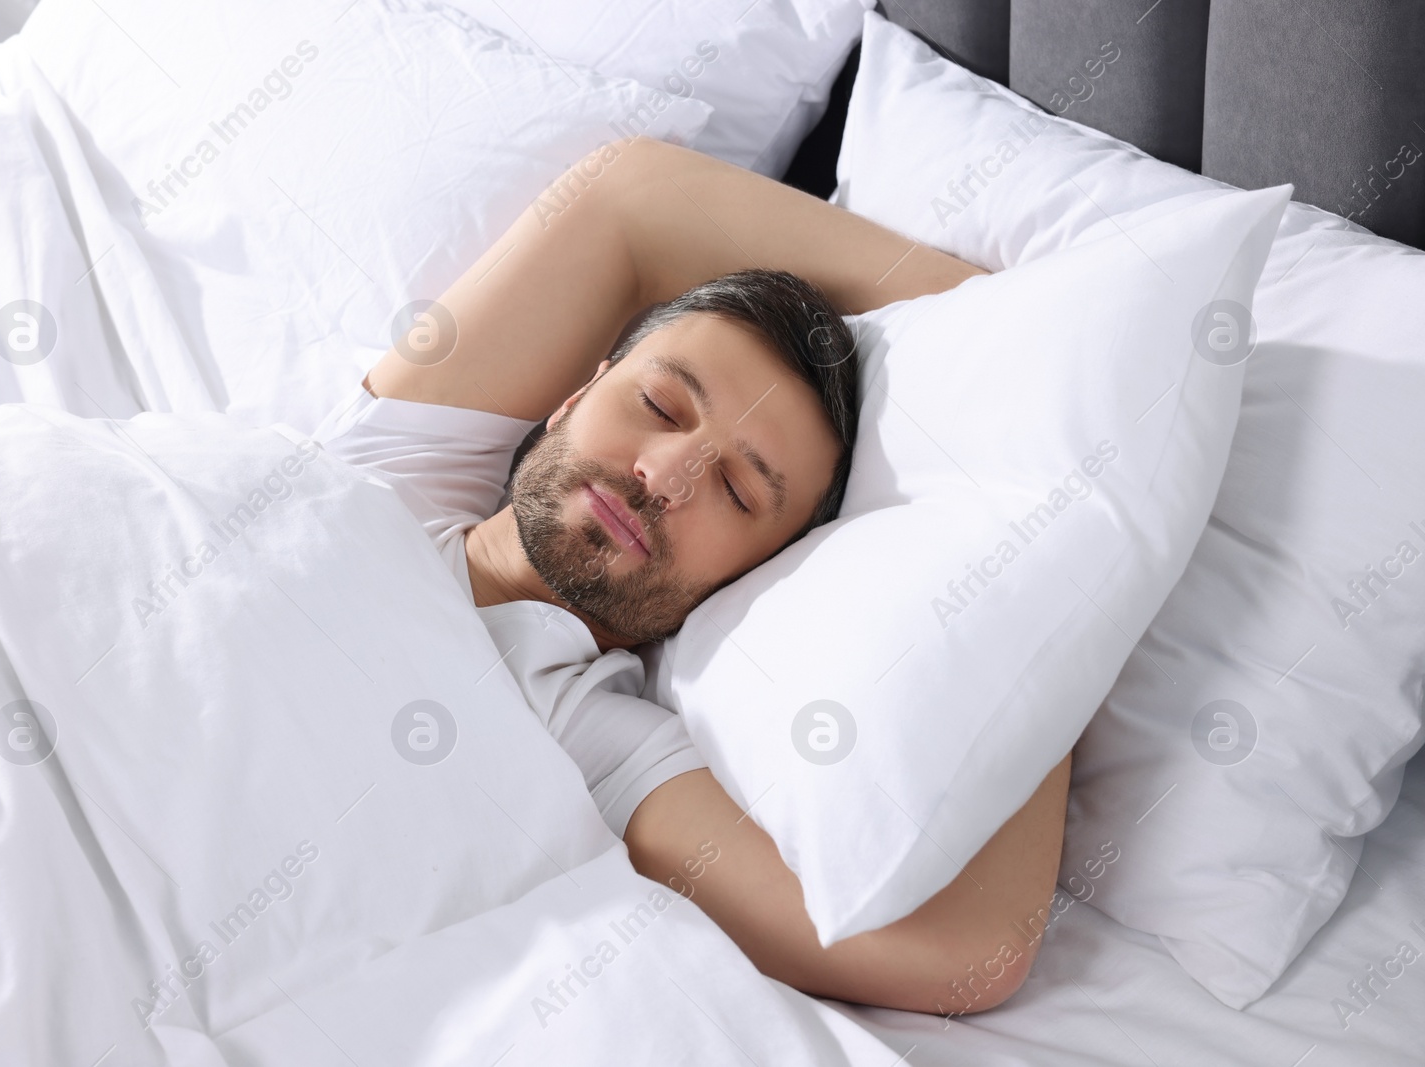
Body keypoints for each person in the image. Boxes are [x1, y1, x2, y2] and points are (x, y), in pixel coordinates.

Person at [313, 135, 1072, 1017]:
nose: (665, 478)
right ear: (572, 395)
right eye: (659, 406)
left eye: (736, 491)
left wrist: (1061, 566)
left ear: (747, 580)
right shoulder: (390, 469)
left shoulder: (590, 738)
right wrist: (1013, 330)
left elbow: (965, 952)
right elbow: (633, 196)